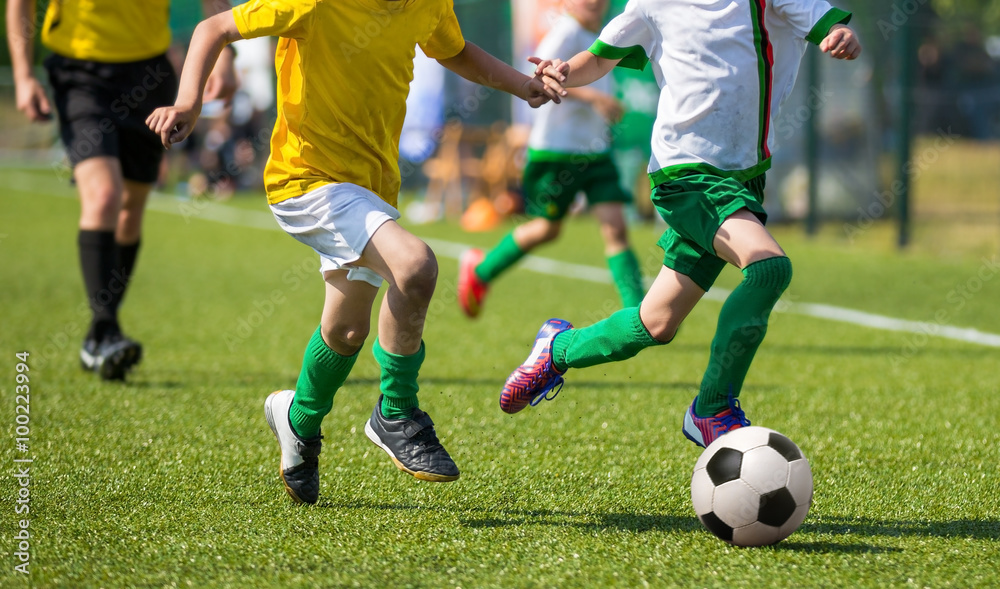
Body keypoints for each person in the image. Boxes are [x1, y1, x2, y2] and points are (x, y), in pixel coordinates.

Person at [146, 0, 560, 504]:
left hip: (373, 185)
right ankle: (397, 411)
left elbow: (455, 51)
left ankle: (298, 419)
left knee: (346, 331)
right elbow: (215, 27)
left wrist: (524, 84)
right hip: (307, 179)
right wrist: (189, 102)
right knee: (415, 266)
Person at [501, 0, 861, 448]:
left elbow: (825, 22)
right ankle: (712, 408)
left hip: (743, 178)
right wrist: (562, 71)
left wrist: (841, 35)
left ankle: (558, 349)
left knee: (656, 324)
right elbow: (600, 55)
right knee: (769, 267)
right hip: (684, 175)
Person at [6, 0, 237, 381]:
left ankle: (100, 336)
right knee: (104, 197)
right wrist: (23, 74)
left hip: (148, 73)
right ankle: (105, 331)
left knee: (131, 209)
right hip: (80, 73)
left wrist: (225, 56)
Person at [457, 0, 644, 319]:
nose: (594, 3)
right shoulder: (564, 32)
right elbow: (542, 77)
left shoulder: (603, 34)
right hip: (556, 151)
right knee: (546, 229)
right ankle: (480, 270)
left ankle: (637, 313)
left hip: (594, 153)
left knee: (616, 229)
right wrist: (595, 97)